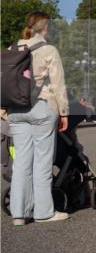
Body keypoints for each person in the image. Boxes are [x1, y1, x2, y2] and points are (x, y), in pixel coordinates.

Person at [7, 11, 70, 225]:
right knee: (42, 163)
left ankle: (19, 213)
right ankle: (44, 212)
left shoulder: (12, 49)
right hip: (41, 108)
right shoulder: (48, 49)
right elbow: (58, 84)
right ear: (46, 28)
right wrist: (63, 112)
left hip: (15, 111)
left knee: (21, 163)